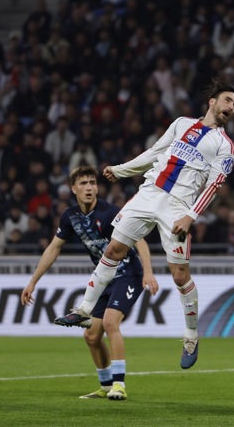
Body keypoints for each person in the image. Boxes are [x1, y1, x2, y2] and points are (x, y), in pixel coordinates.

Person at [53, 79, 234, 370]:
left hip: (178, 206)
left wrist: (191, 216)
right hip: (149, 193)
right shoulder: (181, 124)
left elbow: (214, 185)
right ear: (212, 102)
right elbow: (154, 152)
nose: (232, 107)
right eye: (228, 100)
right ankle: (84, 309)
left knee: (179, 275)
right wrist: (121, 170)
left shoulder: (226, 146)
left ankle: (191, 335)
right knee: (114, 249)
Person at [20, 166, 159, 400]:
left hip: (128, 273)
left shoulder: (110, 212)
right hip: (104, 278)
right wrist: (33, 282)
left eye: (93, 183)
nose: (89, 188)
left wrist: (148, 272)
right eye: (83, 183)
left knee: (111, 323)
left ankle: (119, 385)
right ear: (73, 189)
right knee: (91, 337)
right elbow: (53, 249)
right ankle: (106, 386)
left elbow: (139, 240)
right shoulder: (70, 216)